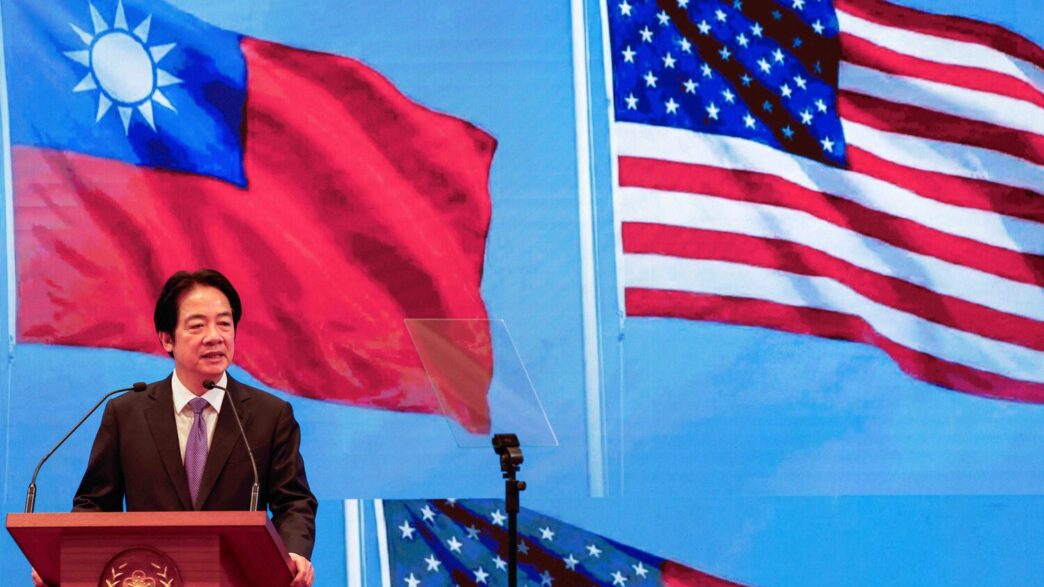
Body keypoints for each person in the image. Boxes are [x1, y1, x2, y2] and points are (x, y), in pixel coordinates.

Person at [34, 269, 317, 587]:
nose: (215, 336)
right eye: (198, 325)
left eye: (224, 323)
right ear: (167, 339)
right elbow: (96, 505)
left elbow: (293, 501)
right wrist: (65, 562)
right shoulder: (126, 413)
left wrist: (293, 553)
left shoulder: (270, 414)